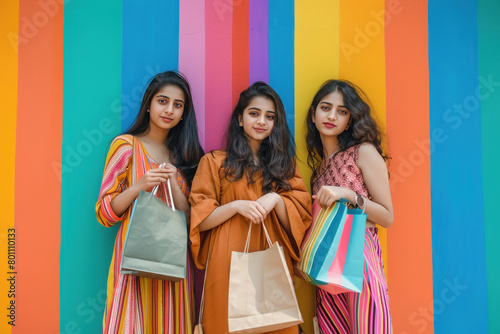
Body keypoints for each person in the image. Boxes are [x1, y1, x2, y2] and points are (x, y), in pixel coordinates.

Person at [189, 82, 312, 334]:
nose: (261, 122)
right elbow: (200, 219)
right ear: (240, 119)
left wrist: (277, 200)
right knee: (229, 324)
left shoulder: (285, 167)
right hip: (228, 261)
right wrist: (236, 206)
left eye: (270, 117)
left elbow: (301, 220)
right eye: (254, 113)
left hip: (272, 261)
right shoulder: (214, 162)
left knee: (277, 324)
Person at [96, 71, 204, 334]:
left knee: (172, 323)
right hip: (134, 261)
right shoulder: (126, 147)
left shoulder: (184, 156)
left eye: (178, 105)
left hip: (173, 263)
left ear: (183, 113)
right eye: (162, 101)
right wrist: (139, 186)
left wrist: (176, 184)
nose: (169, 110)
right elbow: (104, 213)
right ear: (148, 104)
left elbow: (190, 217)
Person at [305, 80, 393, 333]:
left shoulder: (363, 152)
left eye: (342, 111)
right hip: (324, 263)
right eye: (325, 108)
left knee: (368, 326)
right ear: (313, 115)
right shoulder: (318, 172)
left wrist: (349, 194)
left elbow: (387, 217)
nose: (332, 116)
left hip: (359, 254)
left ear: (350, 119)